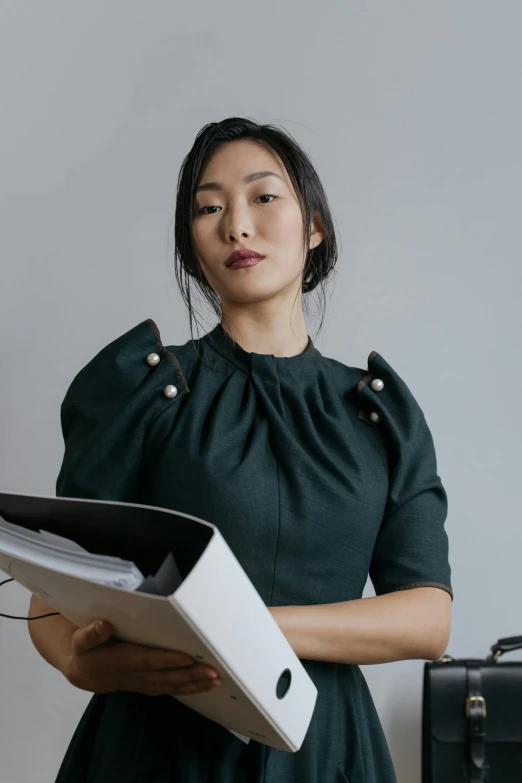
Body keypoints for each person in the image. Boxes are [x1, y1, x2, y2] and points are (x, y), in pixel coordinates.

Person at [28, 117, 453, 783]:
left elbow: (427, 615)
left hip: (321, 749)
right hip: (154, 748)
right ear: (192, 245)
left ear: (315, 226)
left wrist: (241, 626)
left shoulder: (379, 414)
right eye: (208, 207)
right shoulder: (140, 390)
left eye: (263, 197)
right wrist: (77, 661)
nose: (236, 225)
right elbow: (51, 595)